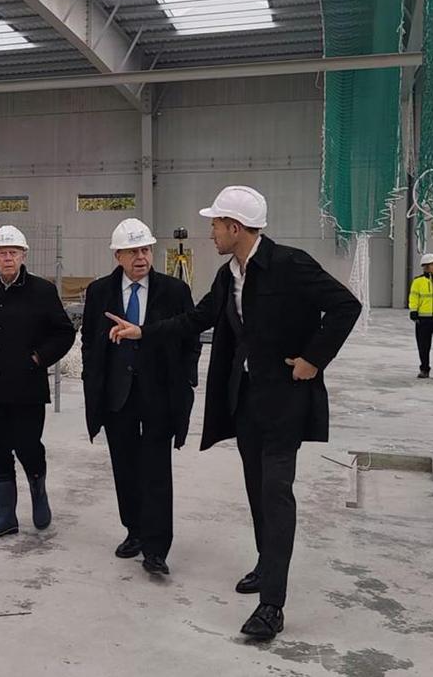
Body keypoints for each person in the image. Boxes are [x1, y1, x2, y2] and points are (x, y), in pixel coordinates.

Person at [106, 186, 361, 641]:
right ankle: (267, 565)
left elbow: (346, 305)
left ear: (236, 227)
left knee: (277, 493)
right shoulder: (230, 275)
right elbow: (197, 318)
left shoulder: (291, 264)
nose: (210, 233)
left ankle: (272, 607)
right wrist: (143, 332)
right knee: (258, 491)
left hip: (285, 402)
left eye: (216, 225)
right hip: (246, 402)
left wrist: (313, 358)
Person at [81, 218, 200, 577]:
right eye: (132, 251)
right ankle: (134, 530)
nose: (141, 257)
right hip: (118, 396)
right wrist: (94, 381)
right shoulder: (99, 292)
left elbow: (190, 340)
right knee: (125, 467)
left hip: (159, 396)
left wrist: (186, 381)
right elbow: (89, 340)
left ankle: (156, 548)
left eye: (145, 249)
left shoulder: (174, 291)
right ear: (117, 255)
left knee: (157, 470)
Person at [0, 225, 76, 540]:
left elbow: (64, 331)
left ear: (23, 255)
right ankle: (6, 515)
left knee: (28, 445)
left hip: (28, 386)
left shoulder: (42, 291)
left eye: (13, 253)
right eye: (2, 253)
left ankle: (38, 491)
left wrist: (38, 358)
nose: (8, 258)